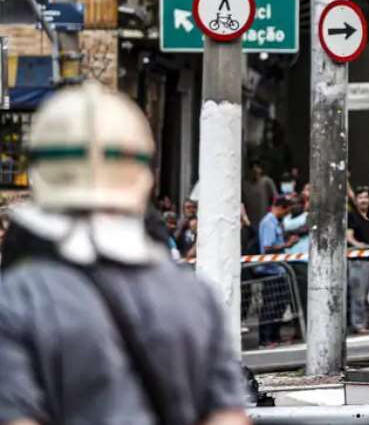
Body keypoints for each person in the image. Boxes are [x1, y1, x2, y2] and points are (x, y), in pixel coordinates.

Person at [0, 81, 247, 425]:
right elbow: (227, 417)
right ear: (143, 174)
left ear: (40, 171)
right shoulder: (194, 296)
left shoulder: (16, 300)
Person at [256, 196, 297, 347]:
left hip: (278, 269)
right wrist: (288, 244)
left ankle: (274, 336)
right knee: (270, 306)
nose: (287, 214)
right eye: (287, 211)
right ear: (281, 207)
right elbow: (267, 248)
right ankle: (265, 339)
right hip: (270, 270)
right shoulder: (268, 222)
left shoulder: (275, 223)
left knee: (279, 305)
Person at [346, 187, 369, 333]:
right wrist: (358, 245)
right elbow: (348, 236)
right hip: (359, 261)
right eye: (360, 197)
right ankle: (359, 325)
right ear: (356, 200)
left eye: (366, 197)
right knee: (358, 296)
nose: (363, 200)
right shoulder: (352, 216)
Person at [242, 160, 277, 229]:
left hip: (265, 221)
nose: (255, 170)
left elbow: (275, 199)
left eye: (257, 167)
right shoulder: (244, 184)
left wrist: (271, 216)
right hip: (250, 223)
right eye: (252, 168)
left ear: (261, 169)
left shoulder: (266, 181)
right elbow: (240, 203)